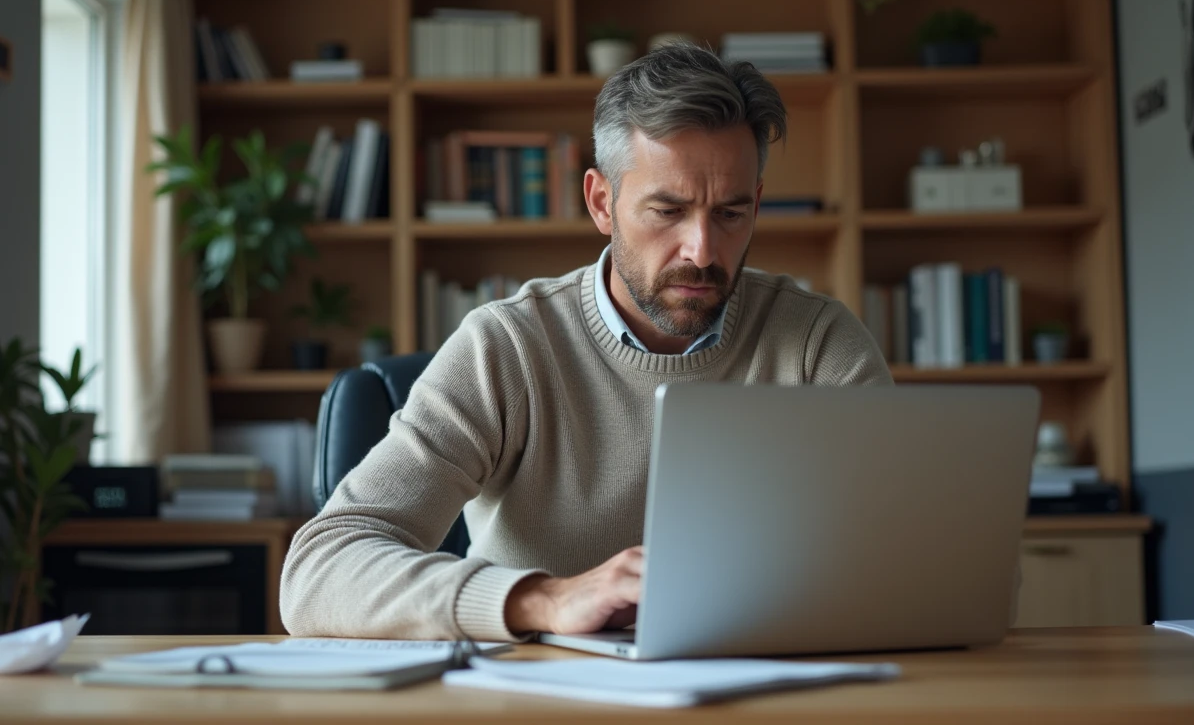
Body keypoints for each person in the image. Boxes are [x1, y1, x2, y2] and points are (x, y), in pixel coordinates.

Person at [280, 43, 892, 642]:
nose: (702, 250)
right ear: (602, 202)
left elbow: (914, 550)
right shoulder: (508, 347)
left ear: (756, 203)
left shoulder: (818, 342)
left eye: (730, 214)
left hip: (776, 691)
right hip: (542, 701)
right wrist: (546, 599)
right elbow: (317, 572)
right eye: (667, 211)